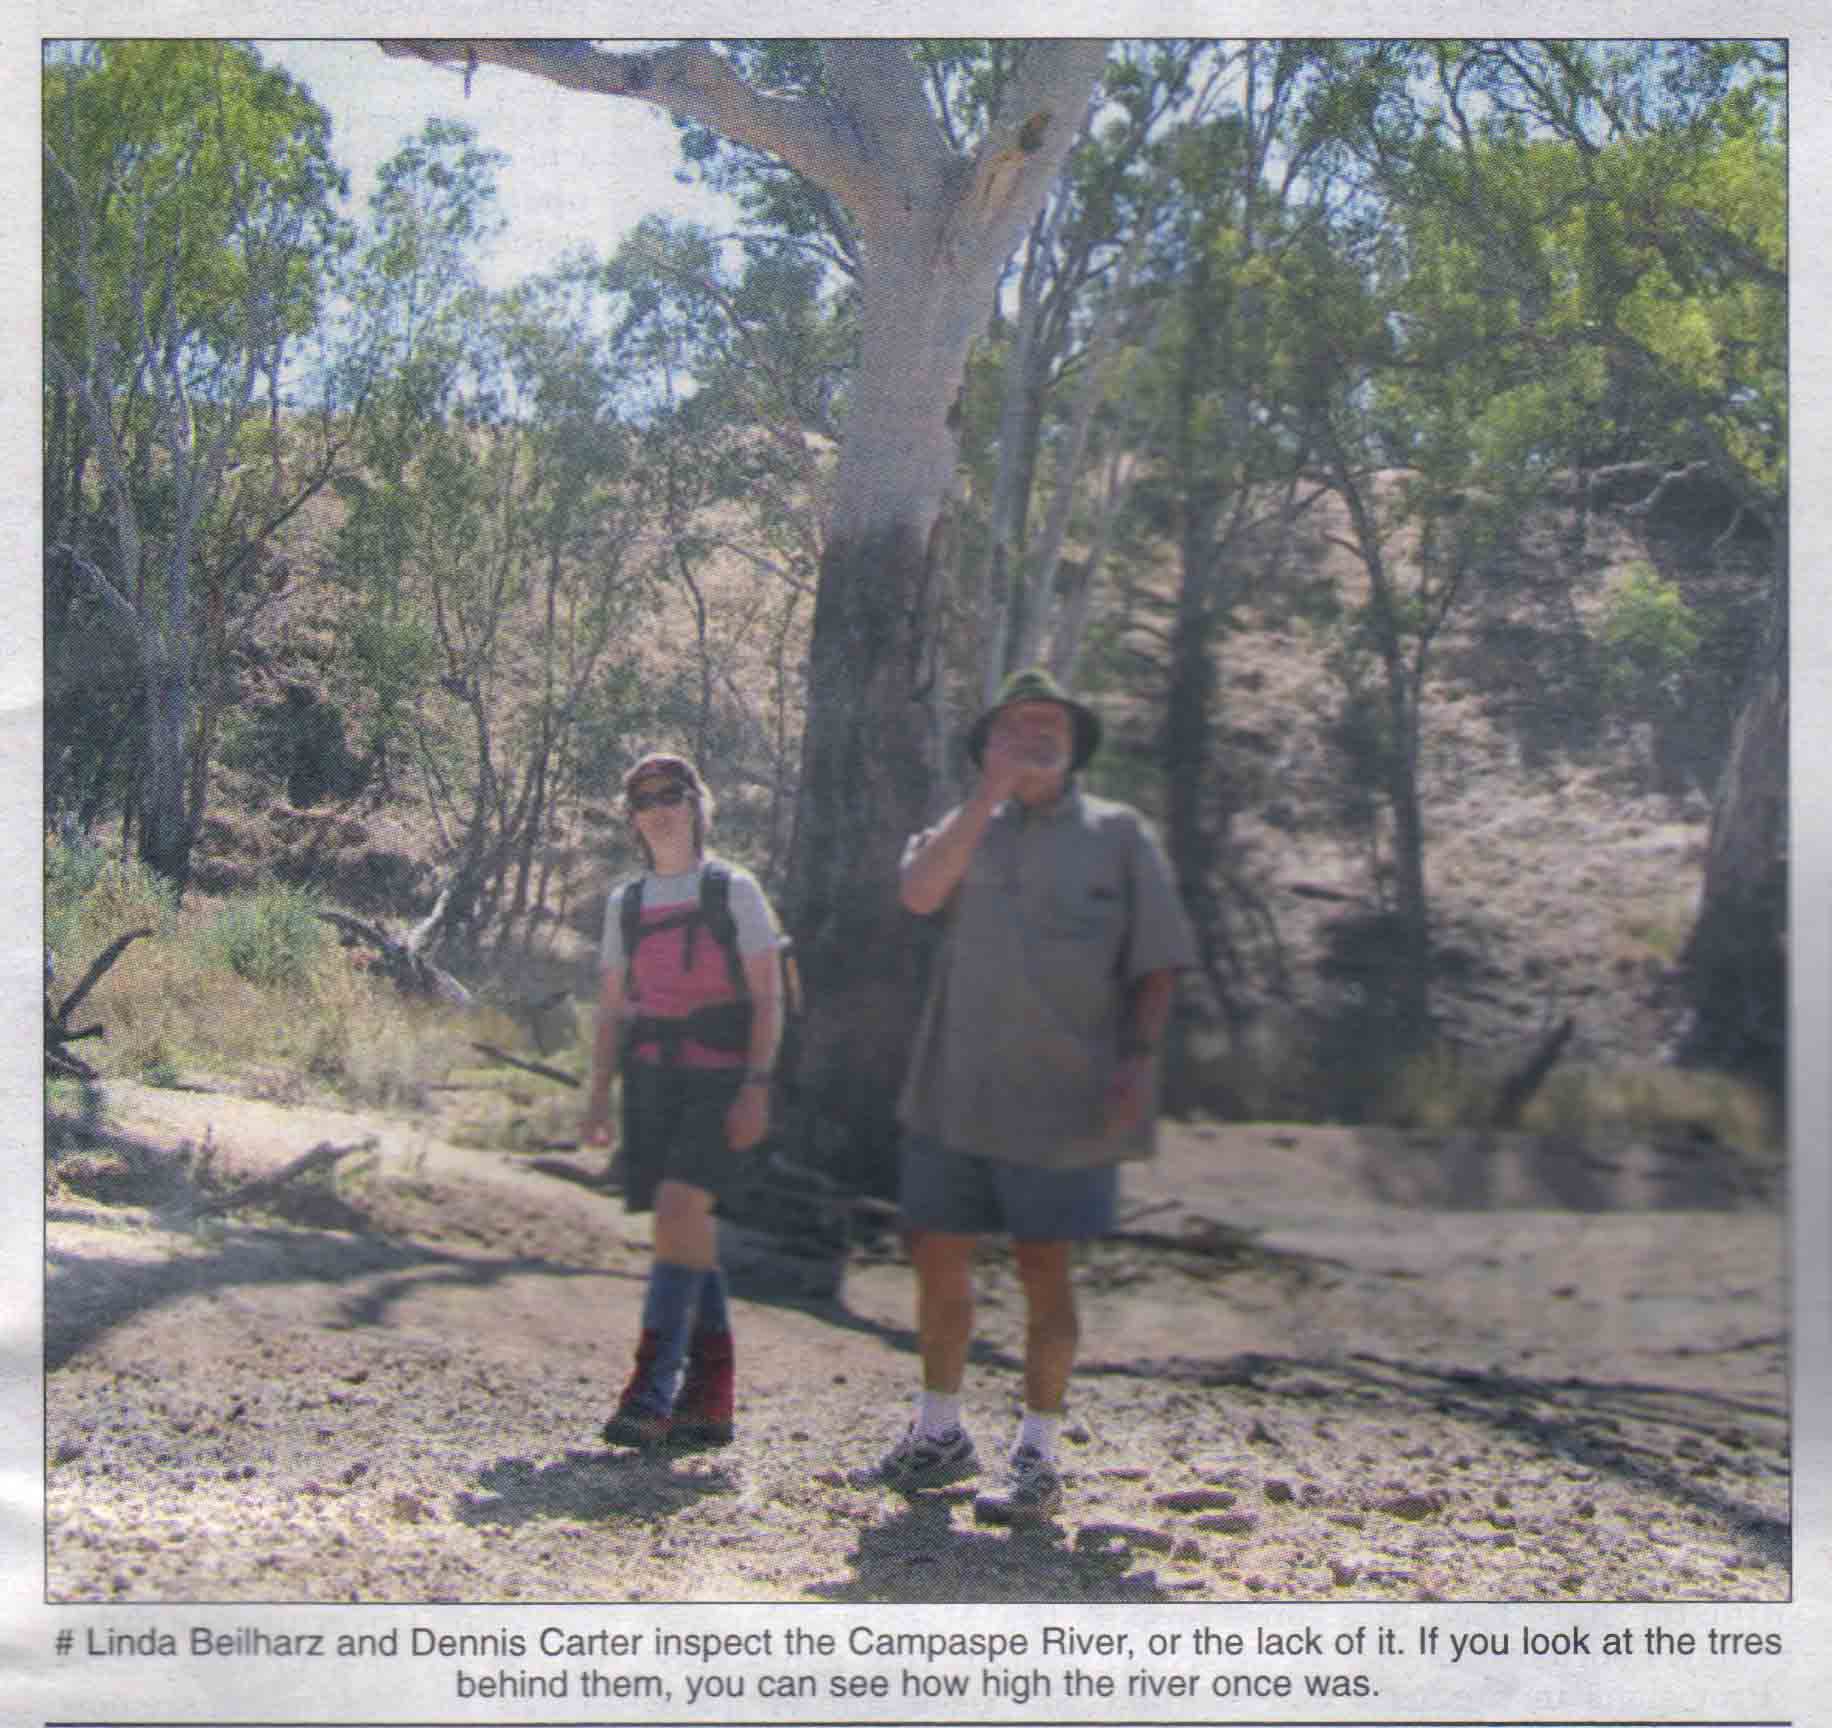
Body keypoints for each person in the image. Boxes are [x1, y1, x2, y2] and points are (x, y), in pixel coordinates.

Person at [850, 668, 1197, 1525]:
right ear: (987, 746)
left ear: (1076, 745)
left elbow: (1157, 960)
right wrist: (984, 800)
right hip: (954, 1088)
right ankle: (940, 1433)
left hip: (1069, 1096)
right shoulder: (966, 829)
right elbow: (919, 892)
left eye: (1053, 726)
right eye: (1018, 727)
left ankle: (1038, 1455)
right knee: (937, 1252)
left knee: (1046, 1267)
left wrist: (1139, 1062)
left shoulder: (1119, 836)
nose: (1040, 737)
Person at [582, 753, 783, 1450]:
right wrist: (597, 1094)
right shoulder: (626, 904)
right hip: (651, 1081)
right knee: (683, 1231)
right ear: (631, 818)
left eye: (672, 794)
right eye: (643, 799)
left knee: (677, 1212)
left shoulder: (735, 890)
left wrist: (757, 1087)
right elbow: (612, 1010)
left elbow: (768, 998)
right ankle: (711, 1397)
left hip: (721, 1080)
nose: (659, 808)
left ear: (699, 804)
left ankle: (651, 1388)